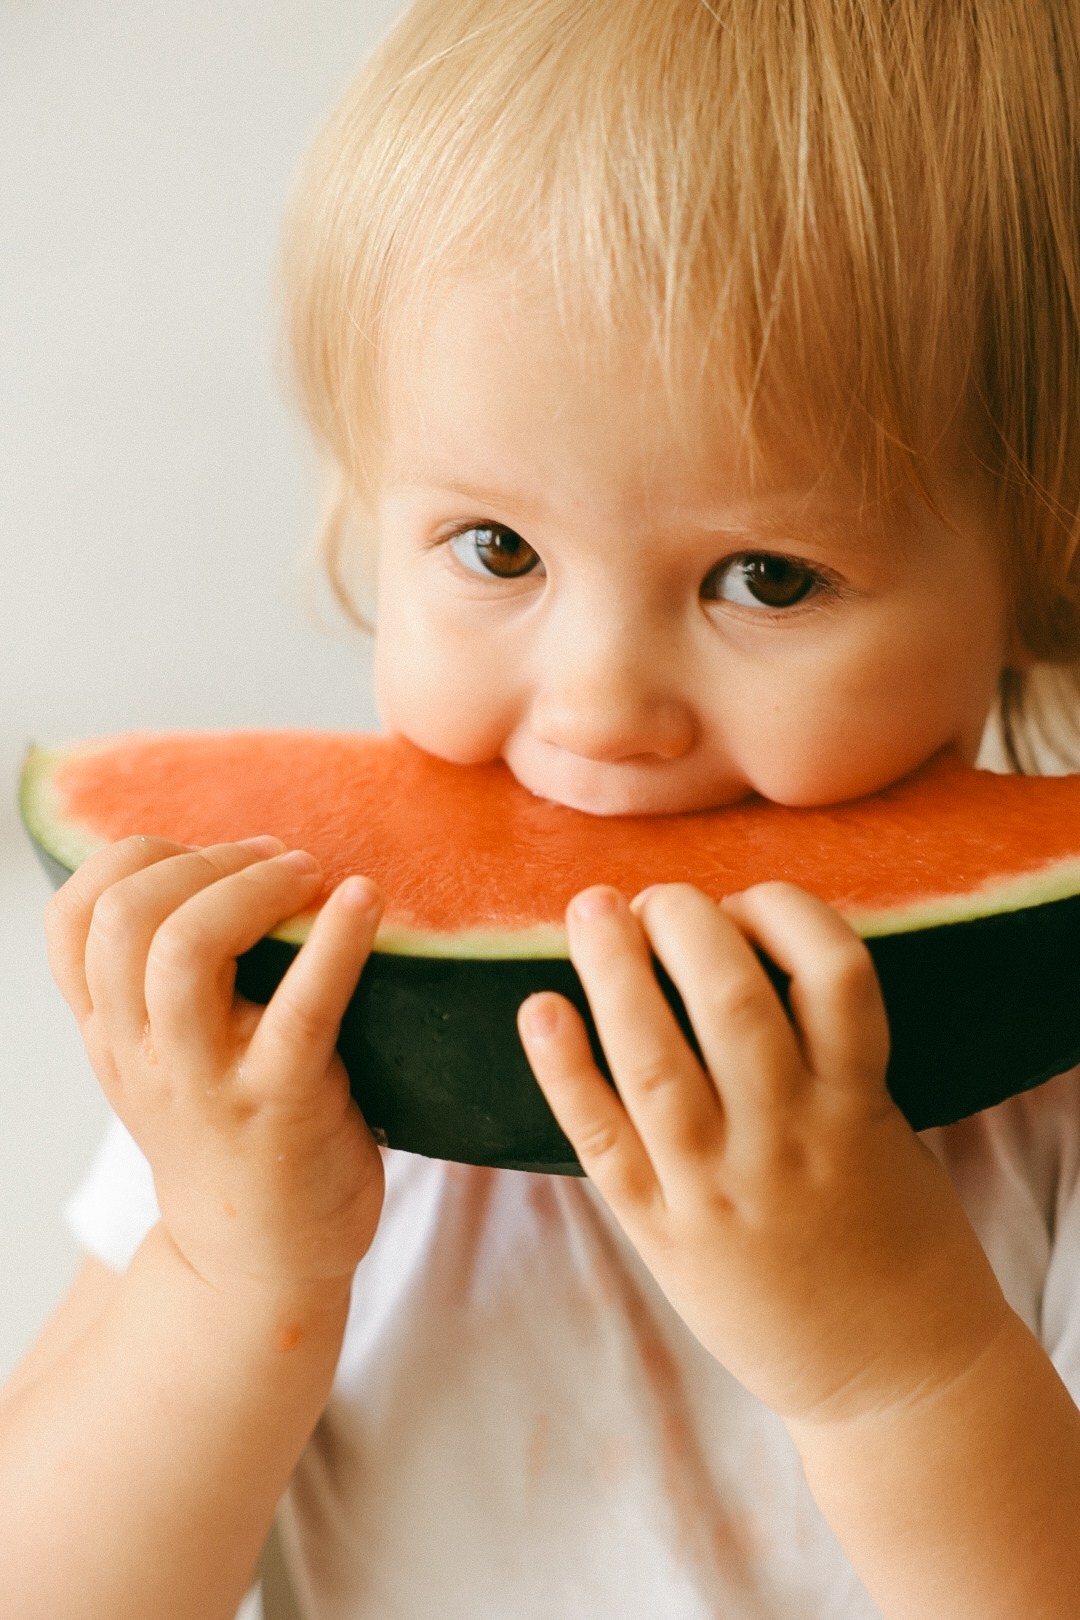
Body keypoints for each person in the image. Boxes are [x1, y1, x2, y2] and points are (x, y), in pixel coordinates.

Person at [3, 1, 1080, 1615]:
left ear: (1043, 564)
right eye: (496, 549)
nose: (593, 710)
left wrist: (896, 1360)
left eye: (765, 577)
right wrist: (226, 1271)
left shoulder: (1047, 1104)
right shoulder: (281, 1059)